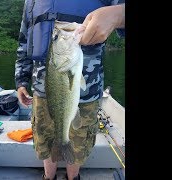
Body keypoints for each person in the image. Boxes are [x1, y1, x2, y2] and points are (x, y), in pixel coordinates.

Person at [15, 0, 125, 180]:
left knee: (79, 143)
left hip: (89, 91)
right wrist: (21, 81)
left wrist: (120, 13)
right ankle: (48, 177)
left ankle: (72, 177)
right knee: (45, 140)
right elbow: (24, 41)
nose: (61, 30)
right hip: (41, 91)